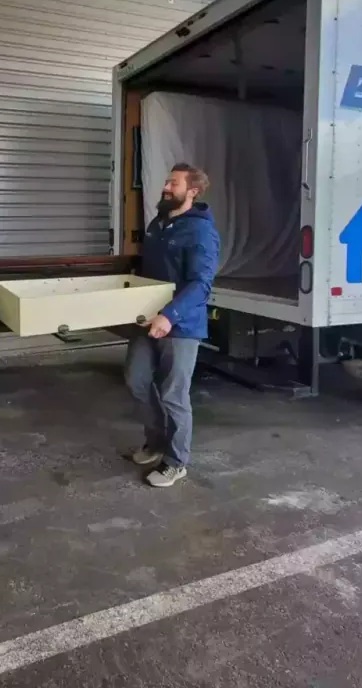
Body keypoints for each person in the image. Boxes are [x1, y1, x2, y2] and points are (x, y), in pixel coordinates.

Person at [126, 163, 220, 488]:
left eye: (173, 183)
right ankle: (155, 442)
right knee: (136, 380)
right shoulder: (158, 224)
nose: (166, 187)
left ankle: (177, 461)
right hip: (146, 320)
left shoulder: (200, 231)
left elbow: (201, 284)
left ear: (192, 190)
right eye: (166, 181)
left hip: (180, 325)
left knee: (174, 395)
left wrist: (169, 315)